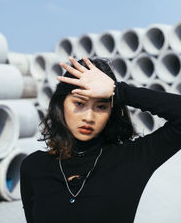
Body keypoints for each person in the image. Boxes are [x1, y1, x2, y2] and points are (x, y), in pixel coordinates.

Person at [20, 56, 181, 223]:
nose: (89, 117)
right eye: (79, 103)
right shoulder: (33, 167)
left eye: (101, 106)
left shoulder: (132, 159)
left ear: (111, 111)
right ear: (61, 105)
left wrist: (118, 91)